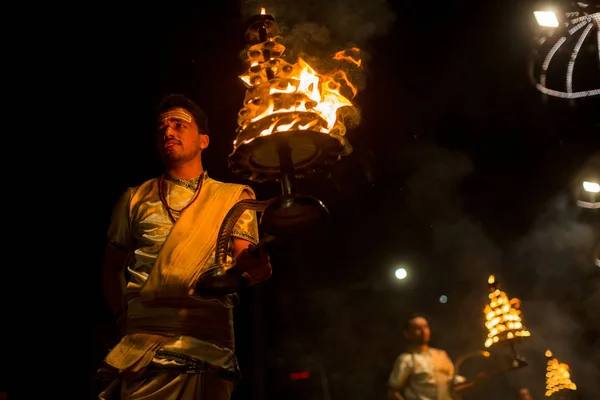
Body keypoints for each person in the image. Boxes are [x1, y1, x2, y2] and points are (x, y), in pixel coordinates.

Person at [96, 93, 272, 399]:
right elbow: (112, 268)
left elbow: (248, 266)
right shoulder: (133, 198)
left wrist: (254, 267)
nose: (168, 132)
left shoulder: (233, 198)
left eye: (179, 125)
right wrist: (121, 317)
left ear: (203, 140)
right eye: (162, 128)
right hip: (141, 350)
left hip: (207, 344)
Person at [387, 314, 482, 400]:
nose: (423, 331)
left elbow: (453, 388)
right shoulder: (406, 359)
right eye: (417, 329)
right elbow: (392, 392)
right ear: (408, 334)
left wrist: (474, 384)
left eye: (425, 327)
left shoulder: (441, 355)